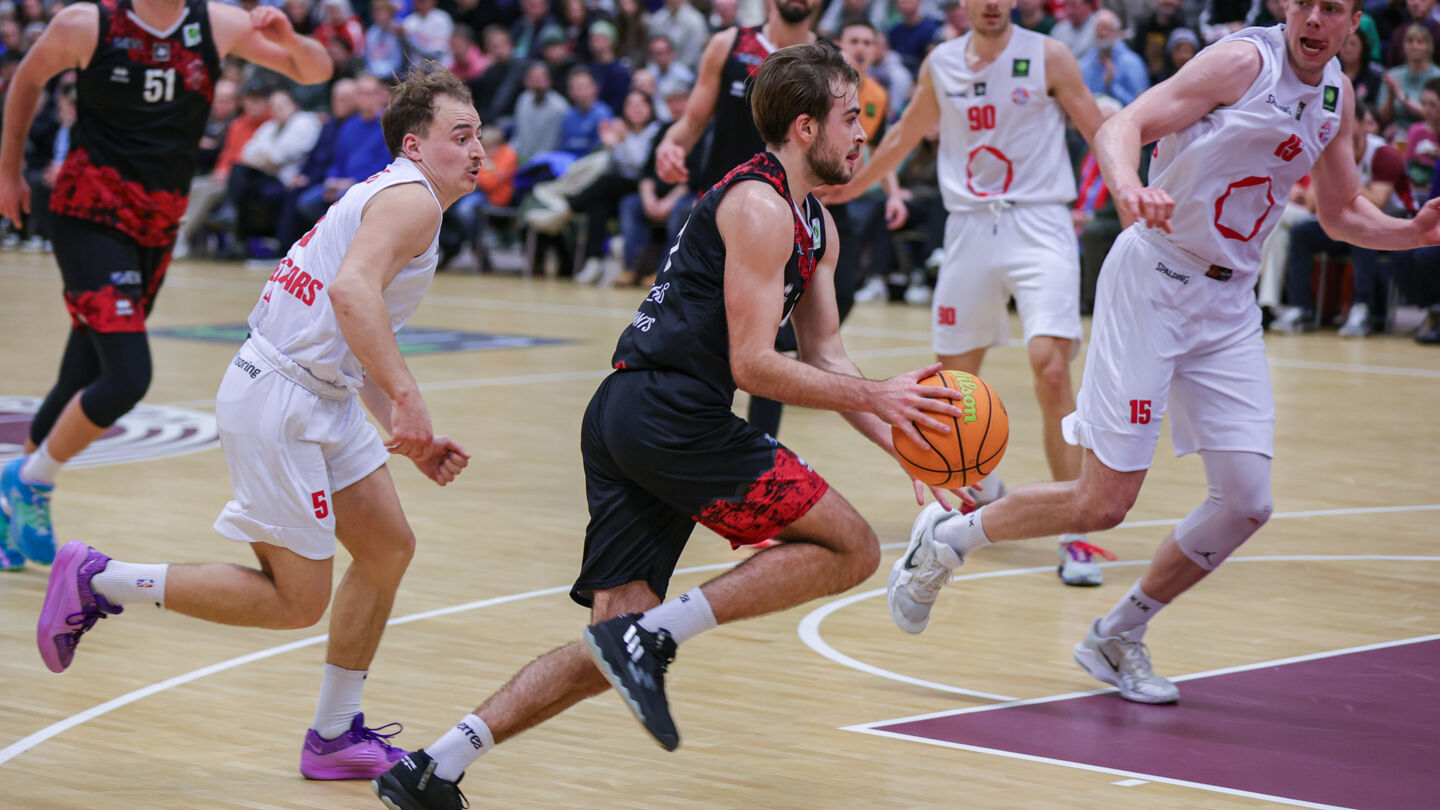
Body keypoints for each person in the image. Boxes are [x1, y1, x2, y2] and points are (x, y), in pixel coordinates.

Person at [370, 42, 973, 810]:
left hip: (633, 413)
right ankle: (653, 636)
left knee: (606, 651)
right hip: (668, 413)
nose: (863, 134)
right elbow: (754, 365)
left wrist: (900, 442)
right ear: (802, 126)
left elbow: (828, 355)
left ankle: (434, 766)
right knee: (850, 547)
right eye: (852, 117)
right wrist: (885, 396)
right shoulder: (758, 206)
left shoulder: (817, 225)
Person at [886, 0, 1440, 703]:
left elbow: (1340, 212)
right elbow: (1125, 124)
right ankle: (948, 539)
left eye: (1332, 8)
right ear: (1282, 7)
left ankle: (1117, 634)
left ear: (1352, 21)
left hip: (1229, 304)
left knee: (1246, 501)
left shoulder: (1336, 92)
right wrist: (1125, 184)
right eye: (1303, 2)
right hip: (1154, 280)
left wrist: (1411, 233)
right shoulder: (1244, 61)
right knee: (1103, 503)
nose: (1314, 19)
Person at [35, 64, 481, 779]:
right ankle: (101, 580)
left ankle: (334, 736)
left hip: (318, 393)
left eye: (480, 135)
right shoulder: (413, 201)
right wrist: (410, 399)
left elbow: (351, 328)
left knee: (387, 547)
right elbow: (350, 292)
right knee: (295, 601)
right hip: (280, 399)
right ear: (415, 147)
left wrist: (409, 437)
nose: (478, 151)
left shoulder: (392, 196)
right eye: (461, 136)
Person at [0, 0, 330, 567]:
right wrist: (8, 172)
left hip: (155, 224)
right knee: (129, 376)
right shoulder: (88, 23)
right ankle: (30, 478)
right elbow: (27, 79)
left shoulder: (217, 23)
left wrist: (293, 41)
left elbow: (316, 72)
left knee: (83, 371)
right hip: (89, 213)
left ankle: (10, 511)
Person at [834, 0, 1111, 587]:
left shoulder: (1049, 56)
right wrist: (850, 184)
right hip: (968, 228)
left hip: (1040, 222)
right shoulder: (941, 62)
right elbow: (906, 135)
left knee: (1052, 369)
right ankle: (977, 494)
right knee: (953, 390)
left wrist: (1131, 189)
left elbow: (1100, 129)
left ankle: (1075, 529)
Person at [654, 0, 822, 441]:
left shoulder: (826, 61)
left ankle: (762, 451)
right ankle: (678, 438)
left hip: (782, 222)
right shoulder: (728, 45)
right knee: (691, 335)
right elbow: (690, 123)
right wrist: (670, 148)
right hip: (717, 220)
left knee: (769, 347)